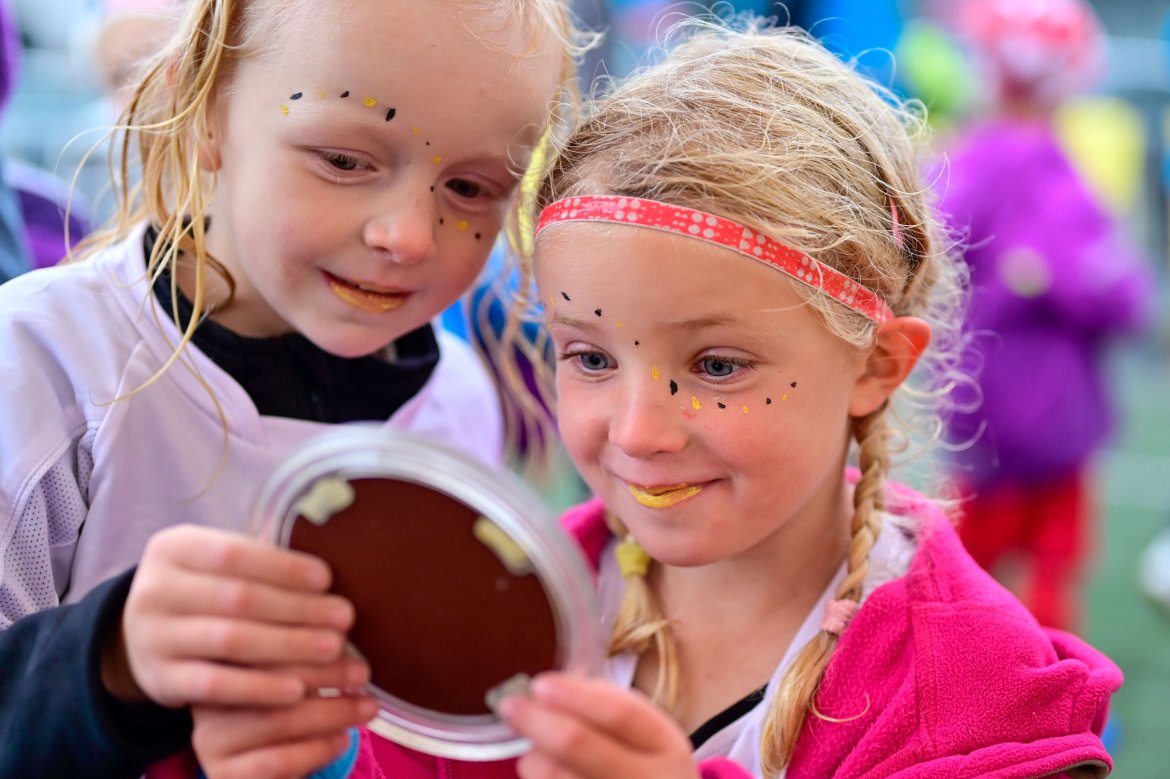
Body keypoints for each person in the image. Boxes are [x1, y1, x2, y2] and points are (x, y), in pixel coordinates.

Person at [189, 19, 1123, 779]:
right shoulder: (501, 612)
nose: (636, 431)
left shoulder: (974, 690)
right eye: (589, 356)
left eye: (717, 366)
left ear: (877, 364)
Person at [0, 0, 585, 775]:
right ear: (201, 111)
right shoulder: (47, 361)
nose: (406, 236)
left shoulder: (459, 402)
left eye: (472, 190)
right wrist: (109, 661)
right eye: (344, 161)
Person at [937, 0, 1154, 631]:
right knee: (1049, 573)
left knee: (966, 573)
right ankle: (1056, 710)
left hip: (976, 405)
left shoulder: (965, 159)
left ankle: (966, 701)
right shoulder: (1049, 167)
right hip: (1052, 415)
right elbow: (1116, 292)